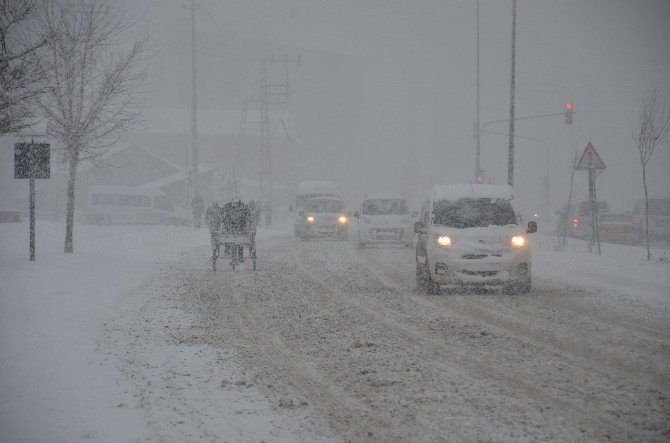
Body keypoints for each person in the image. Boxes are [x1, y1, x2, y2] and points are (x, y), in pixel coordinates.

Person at [221, 194, 250, 261]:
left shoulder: (243, 208)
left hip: (240, 228)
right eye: (234, 202)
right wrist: (227, 226)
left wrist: (244, 227)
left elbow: (245, 219)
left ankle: (240, 257)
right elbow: (225, 218)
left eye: (236, 202)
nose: (235, 204)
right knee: (229, 240)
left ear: (239, 202)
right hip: (231, 228)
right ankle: (227, 251)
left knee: (240, 243)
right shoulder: (228, 208)